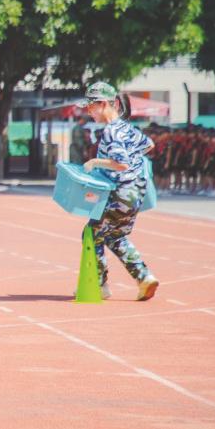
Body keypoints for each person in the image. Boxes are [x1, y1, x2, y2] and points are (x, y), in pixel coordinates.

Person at [79, 81, 158, 301]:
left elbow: (120, 163)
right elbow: (149, 144)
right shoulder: (126, 128)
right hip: (137, 193)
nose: (89, 111)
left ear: (105, 104)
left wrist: (95, 162)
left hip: (121, 193)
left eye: (92, 105)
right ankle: (144, 277)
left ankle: (98, 284)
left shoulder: (111, 131)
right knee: (115, 236)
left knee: (91, 232)